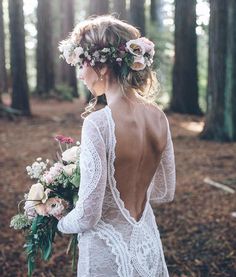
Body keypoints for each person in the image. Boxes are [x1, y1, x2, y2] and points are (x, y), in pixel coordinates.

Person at [57, 15, 176, 277]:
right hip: (146, 246)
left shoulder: (98, 124)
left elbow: (88, 215)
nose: (80, 74)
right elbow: (165, 191)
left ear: (102, 67)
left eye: (81, 64)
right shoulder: (159, 117)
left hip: (107, 255)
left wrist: (59, 221)